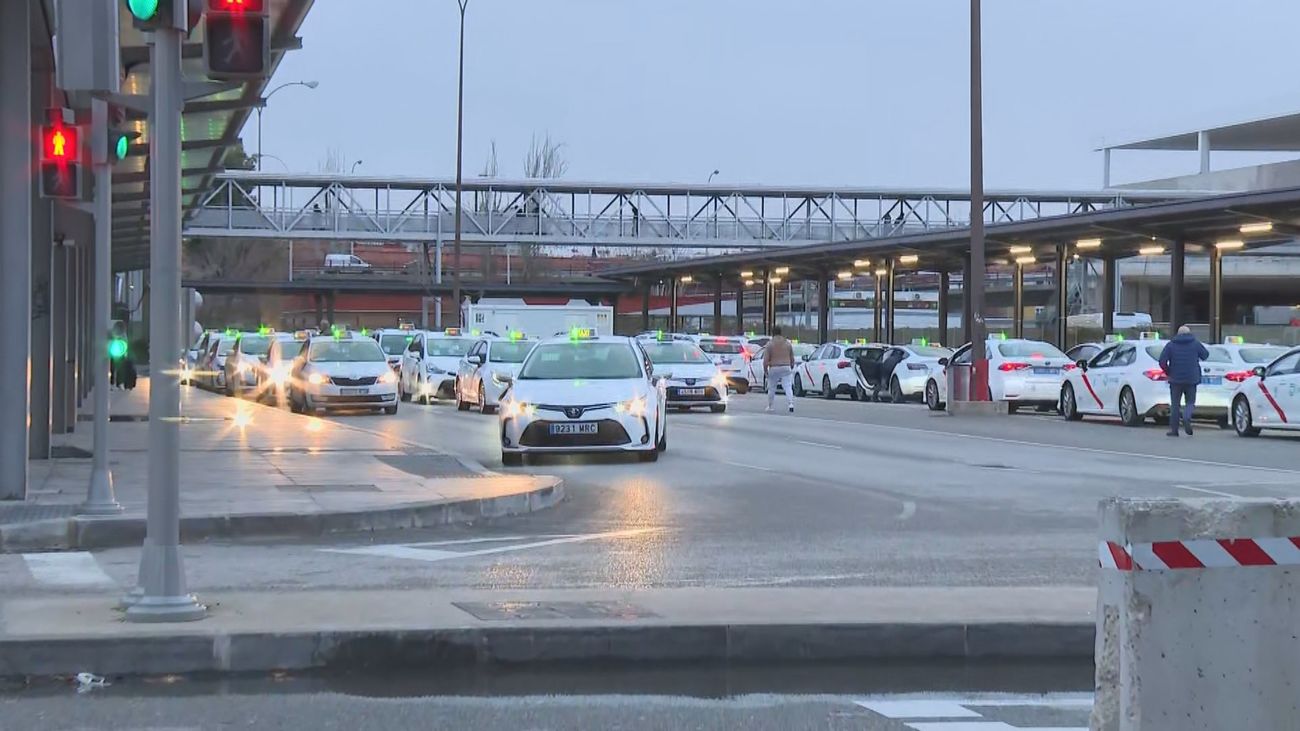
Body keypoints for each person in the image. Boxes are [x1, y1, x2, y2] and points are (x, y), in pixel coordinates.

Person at [1158, 325, 1209, 437]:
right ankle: (1186, 417)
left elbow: (1162, 361)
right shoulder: (1195, 343)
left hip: (1175, 379)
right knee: (1190, 402)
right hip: (1192, 378)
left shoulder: (1171, 345)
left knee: (1175, 405)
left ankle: (1174, 430)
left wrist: (1169, 372)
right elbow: (1205, 355)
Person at [763, 327, 797, 413]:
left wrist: (766, 371)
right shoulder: (787, 343)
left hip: (774, 367)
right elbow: (792, 357)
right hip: (786, 366)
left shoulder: (770, 344)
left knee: (772, 387)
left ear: (772, 333)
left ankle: (770, 406)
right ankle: (791, 404)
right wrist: (791, 366)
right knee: (788, 386)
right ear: (781, 333)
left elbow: (765, 360)